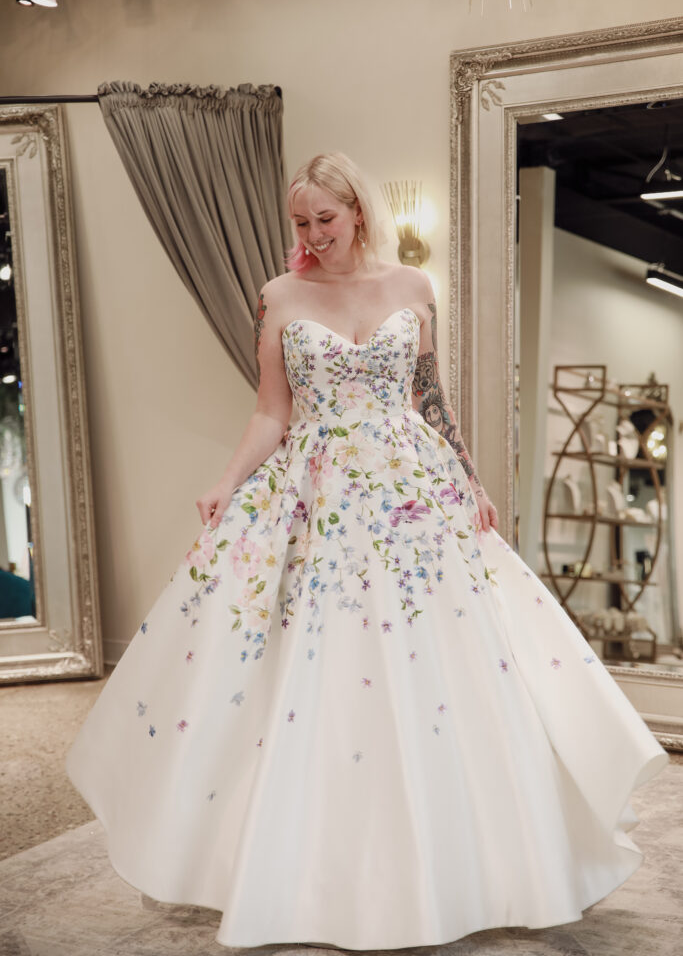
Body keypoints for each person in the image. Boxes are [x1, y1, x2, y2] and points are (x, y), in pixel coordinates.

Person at [66, 151, 669, 951]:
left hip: (410, 489)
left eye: (326, 217)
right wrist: (224, 483)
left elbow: (432, 400)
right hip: (316, 494)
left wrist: (469, 478)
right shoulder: (278, 297)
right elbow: (270, 413)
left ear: (357, 212)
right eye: (301, 222)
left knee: (443, 657)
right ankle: (300, 862)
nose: (313, 235)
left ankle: (471, 858)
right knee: (309, 658)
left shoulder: (413, 289)